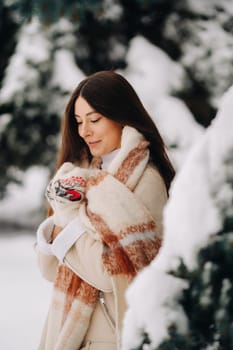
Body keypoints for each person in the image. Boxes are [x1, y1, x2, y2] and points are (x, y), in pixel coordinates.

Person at [35, 70, 175, 350]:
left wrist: (68, 218)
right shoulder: (81, 176)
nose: (84, 131)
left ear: (120, 116)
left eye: (94, 119)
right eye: (78, 122)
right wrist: (53, 229)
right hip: (69, 331)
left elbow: (109, 272)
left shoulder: (145, 181)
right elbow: (49, 269)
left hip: (109, 337)